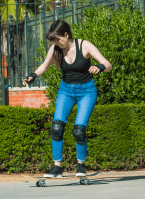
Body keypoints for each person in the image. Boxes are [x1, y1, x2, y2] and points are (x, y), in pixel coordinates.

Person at [23, 19, 112, 177]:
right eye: (54, 40)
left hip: (87, 91)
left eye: (58, 39)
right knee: (56, 127)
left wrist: (100, 67)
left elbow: (108, 64)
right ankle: (57, 167)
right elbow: (44, 66)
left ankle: (81, 165)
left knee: (79, 130)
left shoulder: (84, 45)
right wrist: (33, 76)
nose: (57, 43)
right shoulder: (55, 49)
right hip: (66, 91)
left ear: (66, 34)